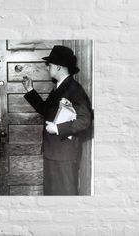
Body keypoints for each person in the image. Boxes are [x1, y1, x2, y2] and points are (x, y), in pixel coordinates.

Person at [22, 45, 93, 195]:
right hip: (53, 152)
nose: (47, 68)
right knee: (52, 194)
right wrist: (30, 90)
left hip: (64, 156)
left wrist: (58, 129)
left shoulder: (74, 89)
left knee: (65, 195)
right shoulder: (59, 87)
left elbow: (85, 120)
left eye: (50, 65)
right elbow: (45, 109)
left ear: (59, 67)